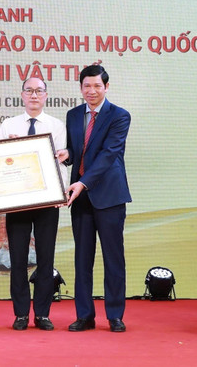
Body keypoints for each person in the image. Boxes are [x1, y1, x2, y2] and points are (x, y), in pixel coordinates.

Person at [59, 65, 131, 333]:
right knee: (82, 258)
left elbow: (109, 154)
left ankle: (114, 315)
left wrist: (83, 182)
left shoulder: (119, 116)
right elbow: (77, 151)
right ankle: (85, 315)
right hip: (79, 198)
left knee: (113, 257)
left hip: (109, 196)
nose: (91, 91)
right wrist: (66, 155)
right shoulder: (73, 115)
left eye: (97, 86)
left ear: (106, 87)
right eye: (86, 86)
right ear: (80, 88)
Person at [0, 77, 67, 331]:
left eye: (39, 91)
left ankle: (43, 313)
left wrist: (61, 193)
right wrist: (10, 148)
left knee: (46, 258)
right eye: (29, 91)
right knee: (17, 259)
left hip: (47, 202)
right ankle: (21, 314)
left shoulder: (56, 125)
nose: (34, 95)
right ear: (22, 95)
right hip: (17, 203)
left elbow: (60, 160)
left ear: (46, 95)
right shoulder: (8, 124)